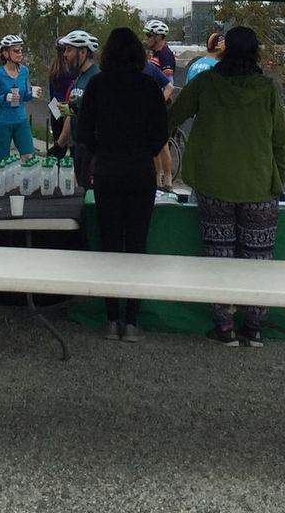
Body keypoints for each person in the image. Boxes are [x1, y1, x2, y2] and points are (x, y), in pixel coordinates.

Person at [176, 26, 285, 347]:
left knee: (219, 257)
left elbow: (173, 115)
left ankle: (224, 328)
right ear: (255, 52)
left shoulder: (205, 83)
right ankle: (254, 328)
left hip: (213, 185)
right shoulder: (268, 89)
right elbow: (281, 139)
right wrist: (278, 176)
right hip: (260, 186)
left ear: (224, 50)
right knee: (258, 259)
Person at [75, 28, 169, 342]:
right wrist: (144, 150)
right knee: (137, 245)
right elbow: (161, 132)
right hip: (141, 171)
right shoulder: (149, 86)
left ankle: (111, 318)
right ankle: (132, 321)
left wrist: (102, 149)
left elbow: (83, 133)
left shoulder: (97, 85)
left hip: (107, 171)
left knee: (111, 244)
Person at [54, 30, 100, 185]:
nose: (65, 55)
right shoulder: (79, 79)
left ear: (83, 52)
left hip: (93, 151)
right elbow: (74, 114)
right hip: (78, 148)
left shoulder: (96, 78)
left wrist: (75, 109)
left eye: (69, 50)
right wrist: (59, 145)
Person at [0, 35, 34, 162]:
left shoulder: (24, 71)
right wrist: (4, 97)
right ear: (6, 53)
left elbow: (25, 97)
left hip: (21, 121)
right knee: (3, 162)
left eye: (21, 50)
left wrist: (32, 93)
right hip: (1, 123)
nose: (20, 53)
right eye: (16, 51)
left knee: (29, 157)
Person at [45, 41, 77, 158]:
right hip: (67, 107)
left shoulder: (54, 68)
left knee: (58, 145)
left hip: (55, 107)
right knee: (72, 144)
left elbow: (51, 92)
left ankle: (56, 166)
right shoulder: (72, 70)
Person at [143, 20, 177, 94]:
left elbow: (169, 86)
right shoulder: (155, 53)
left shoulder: (165, 55)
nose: (146, 38)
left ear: (159, 37)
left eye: (149, 35)